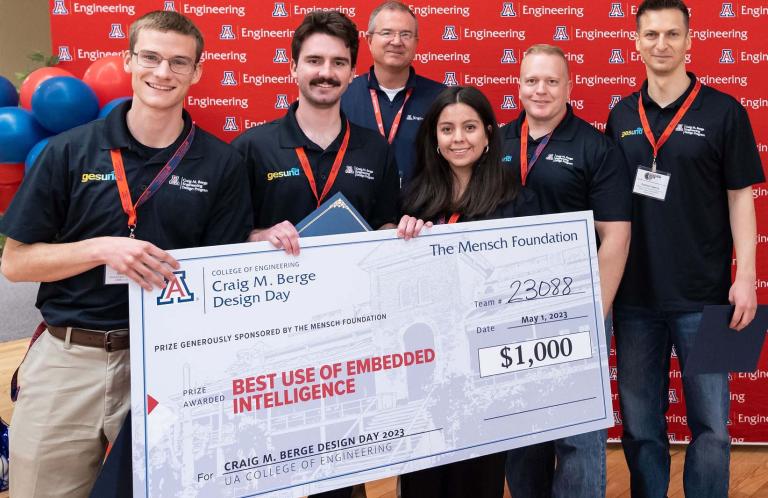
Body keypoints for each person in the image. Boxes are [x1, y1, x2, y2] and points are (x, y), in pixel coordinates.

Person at [0, 10, 252, 498]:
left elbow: (221, 271)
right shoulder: (68, 152)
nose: (163, 73)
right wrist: (100, 249)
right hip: (70, 360)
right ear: (129, 60)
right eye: (151, 58)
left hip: (166, 362)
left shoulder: (222, 163)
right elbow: (15, 263)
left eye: (179, 62)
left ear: (197, 72)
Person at [231, 11, 399, 498]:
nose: (326, 72)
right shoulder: (251, 147)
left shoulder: (374, 149)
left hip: (348, 334)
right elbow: (225, 240)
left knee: (342, 467)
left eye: (338, 62)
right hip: (271, 334)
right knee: (270, 466)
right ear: (294, 68)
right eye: (315, 61)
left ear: (352, 72)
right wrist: (258, 236)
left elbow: (386, 221)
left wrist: (398, 233)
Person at [606, 1, 763, 496]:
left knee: (713, 428)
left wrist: (745, 278)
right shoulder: (621, 115)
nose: (661, 44)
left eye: (672, 34)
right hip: (634, 300)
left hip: (708, 297)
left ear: (690, 41)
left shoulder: (725, 111)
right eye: (650, 34)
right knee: (641, 429)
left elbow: (742, 200)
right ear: (635, 42)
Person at [501, 44, 632, 498]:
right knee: (519, 433)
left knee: (577, 435)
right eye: (532, 80)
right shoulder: (493, 142)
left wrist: (595, 313)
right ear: (518, 85)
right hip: (507, 314)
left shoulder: (597, 148)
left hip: (577, 309)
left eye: (552, 81)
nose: (541, 90)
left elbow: (616, 236)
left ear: (569, 87)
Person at [397, 85, 540, 498]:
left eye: (469, 127)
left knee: (478, 480)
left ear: (489, 134)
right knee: (423, 480)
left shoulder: (517, 201)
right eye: (447, 129)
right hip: (425, 374)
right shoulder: (414, 200)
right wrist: (400, 236)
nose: (458, 138)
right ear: (434, 139)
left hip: (486, 374)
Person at [341, 1, 444, 185]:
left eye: (405, 34)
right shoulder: (342, 94)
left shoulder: (441, 98)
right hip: (359, 210)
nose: (396, 41)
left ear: (416, 43)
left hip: (422, 211)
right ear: (369, 40)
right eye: (387, 33)